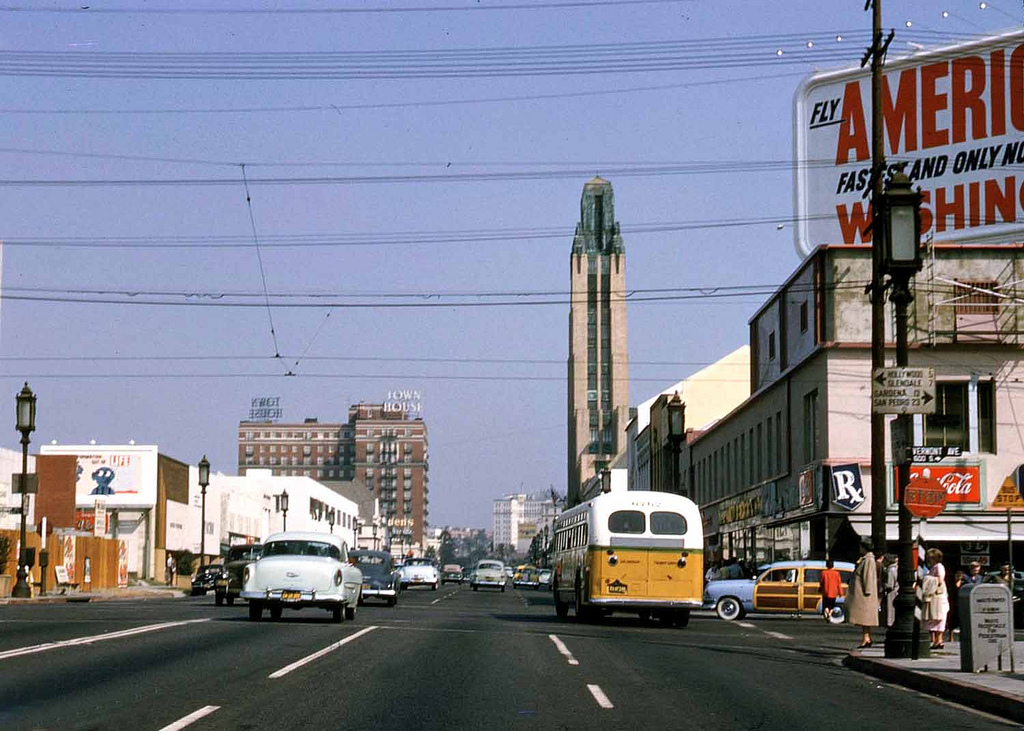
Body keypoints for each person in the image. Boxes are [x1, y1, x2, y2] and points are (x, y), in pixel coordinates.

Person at [846, 540, 880, 648]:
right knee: (864, 619)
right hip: (863, 593)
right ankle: (866, 638)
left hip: (864, 594)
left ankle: (866, 639)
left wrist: (867, 591)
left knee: (865, 617)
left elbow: (868, 576)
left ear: (864, 548)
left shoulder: (869, 560)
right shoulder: (866, 559)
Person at [922, 547, 949, 650]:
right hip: (936, 596)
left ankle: (939, 640)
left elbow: (940, 580)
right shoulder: (934, 567)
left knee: (938, 618)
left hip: (938, 596)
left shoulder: (938, 567)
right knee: (936, 619)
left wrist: (927, 579)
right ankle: (937, 641)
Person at [818, 559, 844, 623]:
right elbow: (839, 583)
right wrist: (840, 593)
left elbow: (821, 582)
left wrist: (820, 588)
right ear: (833, 565)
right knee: (831, 605)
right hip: (834, 592)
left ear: (826, 565)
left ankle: (827, 614)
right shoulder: (837, 573)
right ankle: (830, 613)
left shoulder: (823, 573)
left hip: (825, 592)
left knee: (826, 605)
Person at [947, 570, 965, 643]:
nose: (958, 577)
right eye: (957, 576)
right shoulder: (951, 584)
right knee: (951, 621)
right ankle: (951, 637)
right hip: (953, 603)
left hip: (961, 603)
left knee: (961, 621)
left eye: (959, 576)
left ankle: (962, 637)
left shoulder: (964, 584)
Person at [881, 554, 898, 628]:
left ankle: (890, 622)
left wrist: (884, 585)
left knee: (890, 609)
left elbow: (889, 585)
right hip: (895, 591)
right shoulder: (895, 569)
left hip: (891, 593)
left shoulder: (890, 570)